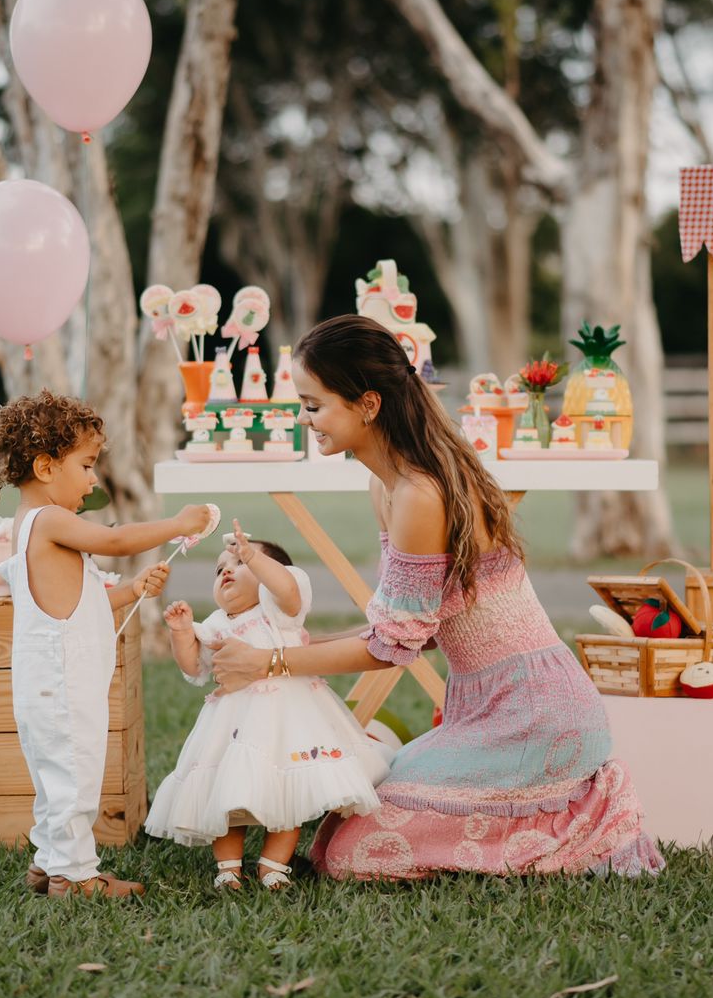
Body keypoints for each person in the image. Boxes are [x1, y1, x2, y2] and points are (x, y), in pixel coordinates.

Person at [209, 316, 665, 880]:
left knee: (350, 852)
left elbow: (394, 647)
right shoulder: (386, 483)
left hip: (536, 715)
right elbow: (406, 628)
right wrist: (281, 654)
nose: (306, 420)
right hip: (486, 708)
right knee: (342, 816)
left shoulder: (419, 493)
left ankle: (587, 817)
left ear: (368, 404)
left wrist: (268, 663)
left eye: (313, 405)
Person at [0, 390, 212, 899]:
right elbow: (114, 541)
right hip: (63, 689)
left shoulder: (29, 527)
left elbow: (76, 606)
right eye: (86, 466)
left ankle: (48, 863)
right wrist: (177, 524)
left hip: (46, 688)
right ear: (45, 466)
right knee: (76, 779)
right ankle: (76, 875)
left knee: (55, 782)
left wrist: (133, 591)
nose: (93, 479)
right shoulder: (49, 521)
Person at [147, 522, 389, 890]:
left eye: (239, 562)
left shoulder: (278, 610)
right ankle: (228, 868)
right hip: (233, 723)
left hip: (288, 719)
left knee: (289, 788)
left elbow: (286, 587)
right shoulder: (215, 624)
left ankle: (273, 865)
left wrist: (252, 556)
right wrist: (182, 632)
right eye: (219, 569)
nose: (227, 569)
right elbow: (194, 668)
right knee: (227, 798)